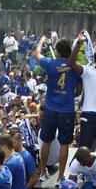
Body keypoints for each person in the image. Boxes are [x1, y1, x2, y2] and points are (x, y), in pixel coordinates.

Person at [30, 34, 85, 179]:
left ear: (58, 51)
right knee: (64, 144)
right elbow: (78, 90)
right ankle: (61, 176)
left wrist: (41, 40)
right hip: (67, 110)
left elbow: (36, 54)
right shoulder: (75, 67)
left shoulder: (50, 63)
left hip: (50, 108)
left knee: (46, 141)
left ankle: (42, 172)